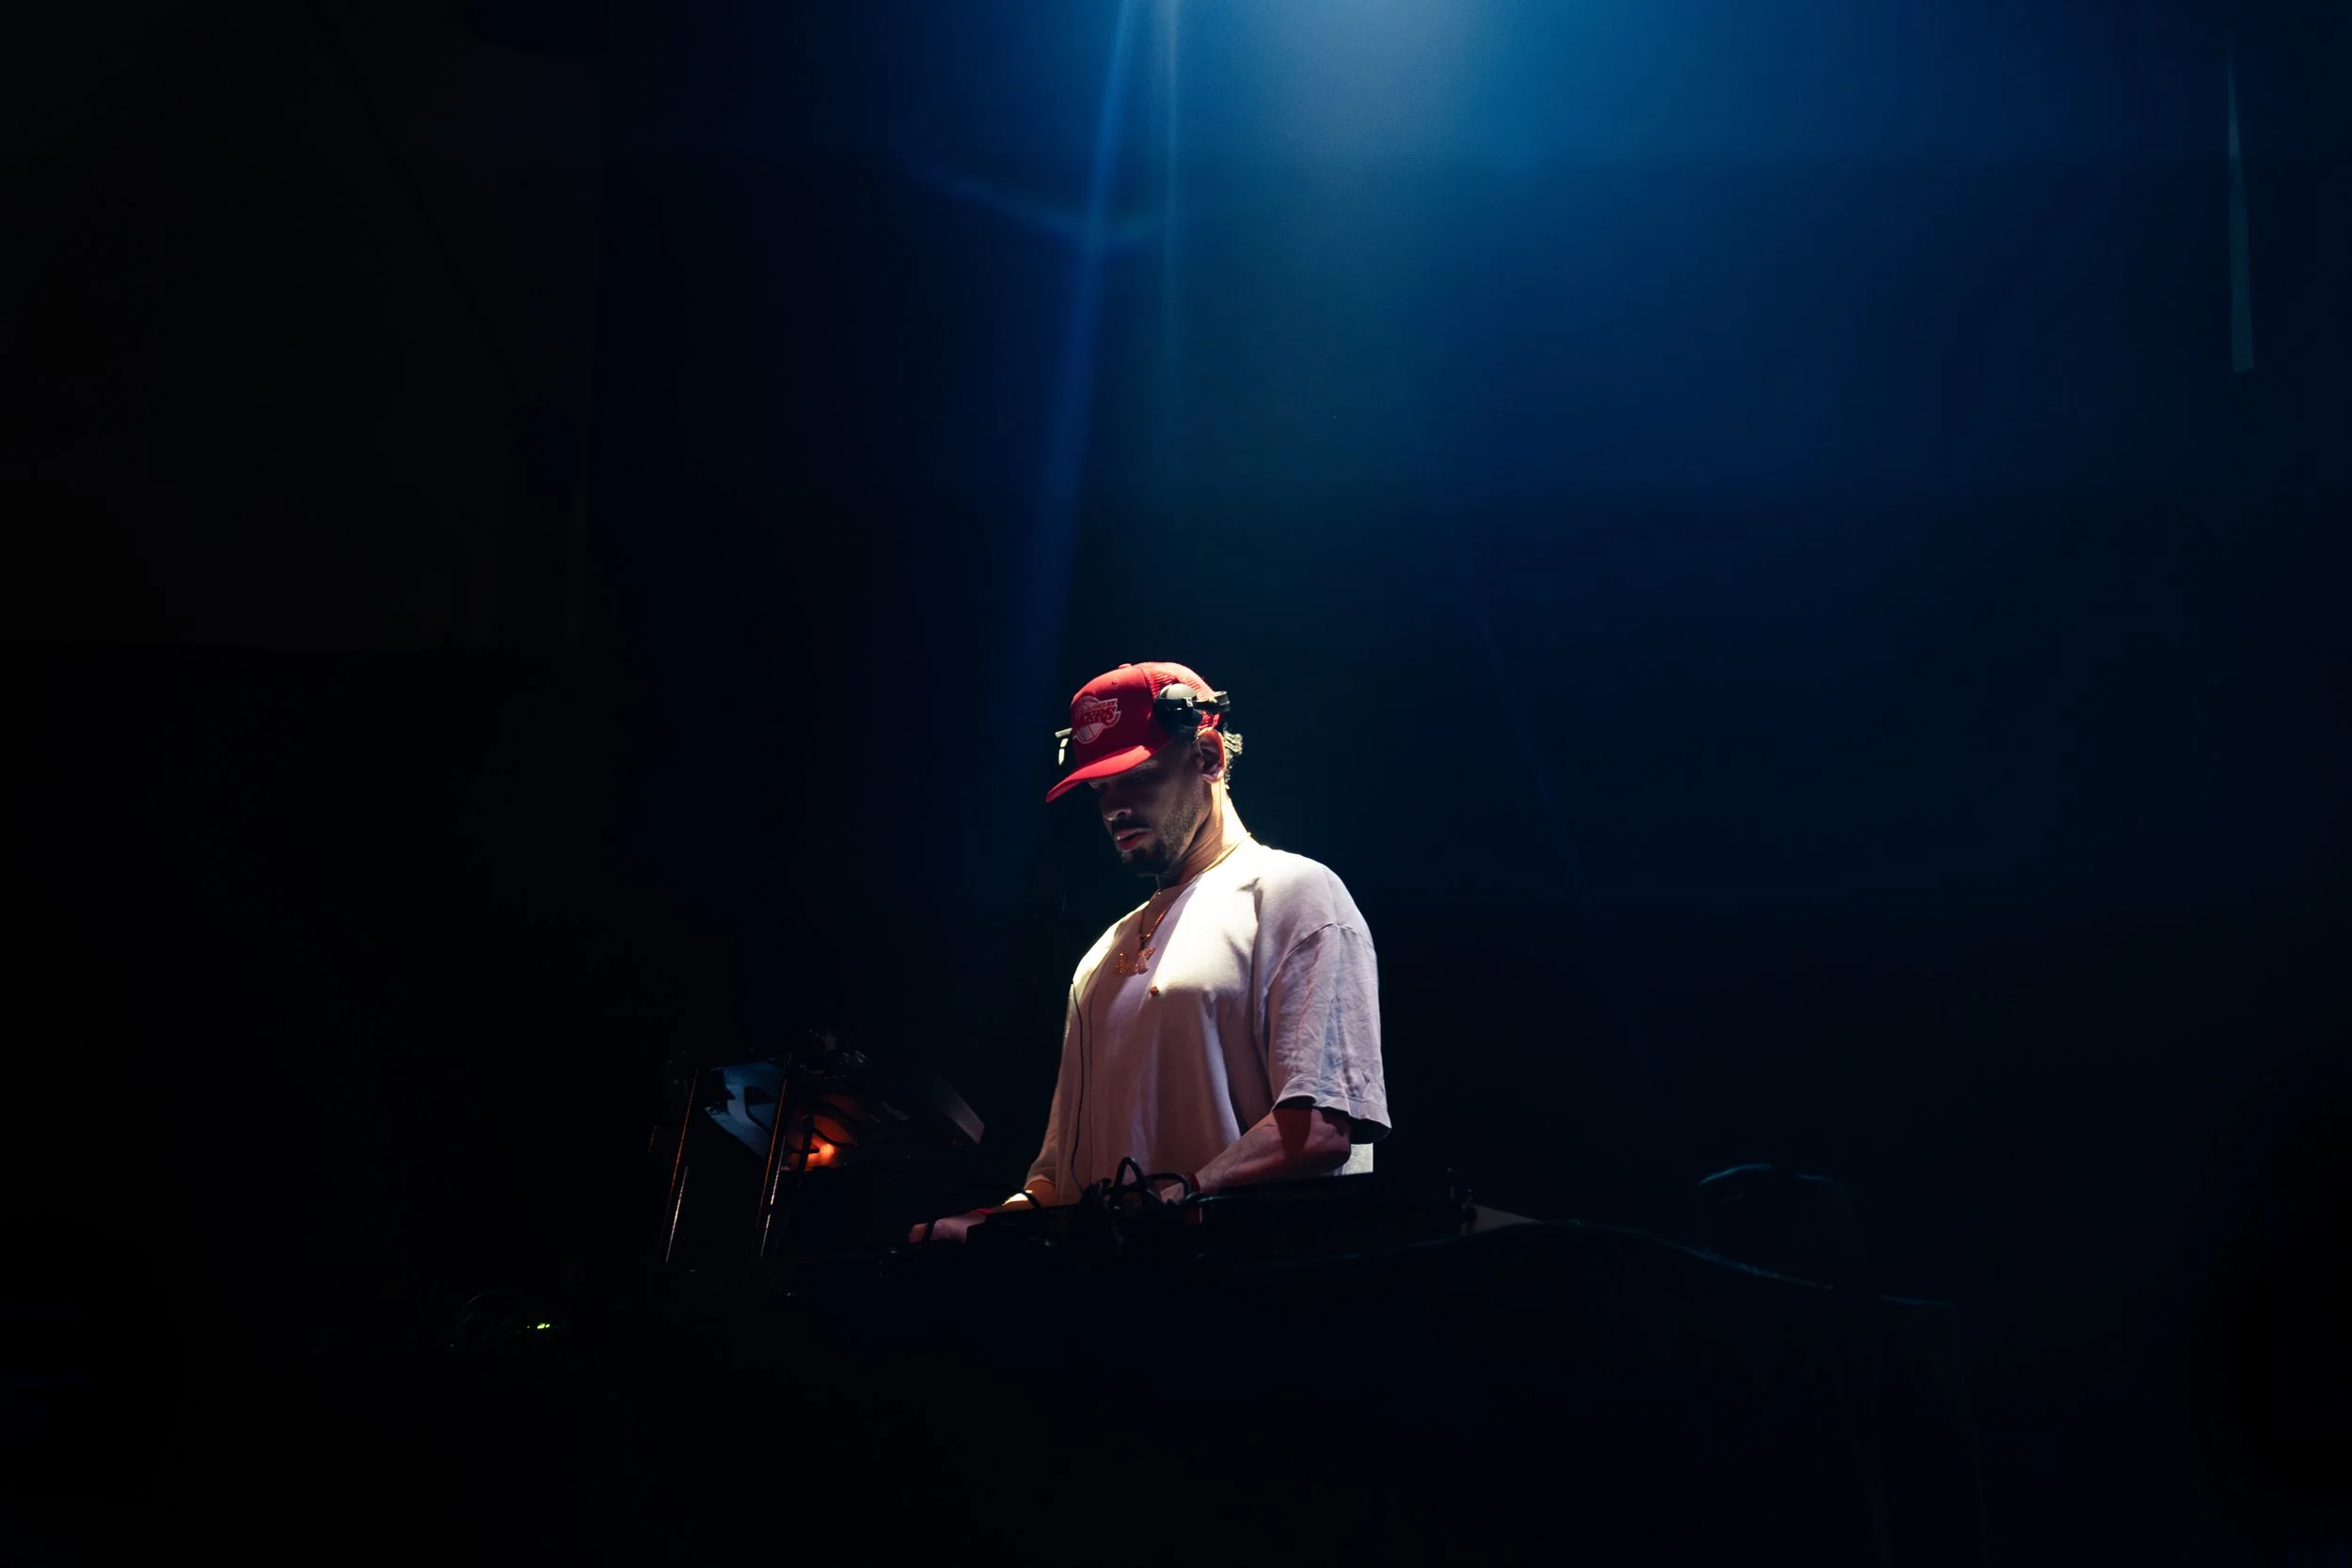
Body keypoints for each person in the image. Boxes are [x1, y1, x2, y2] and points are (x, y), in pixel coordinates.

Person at [912, 660, 1391, 1243]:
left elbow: (1319, 1131)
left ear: (1207, 757)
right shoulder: (1099, 957)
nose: (1113, 806)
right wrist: (983, 1227)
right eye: (1100, 788)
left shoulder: (1294, 894)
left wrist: (1177, 1196)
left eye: (1137, 777)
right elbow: (1060, 1180)